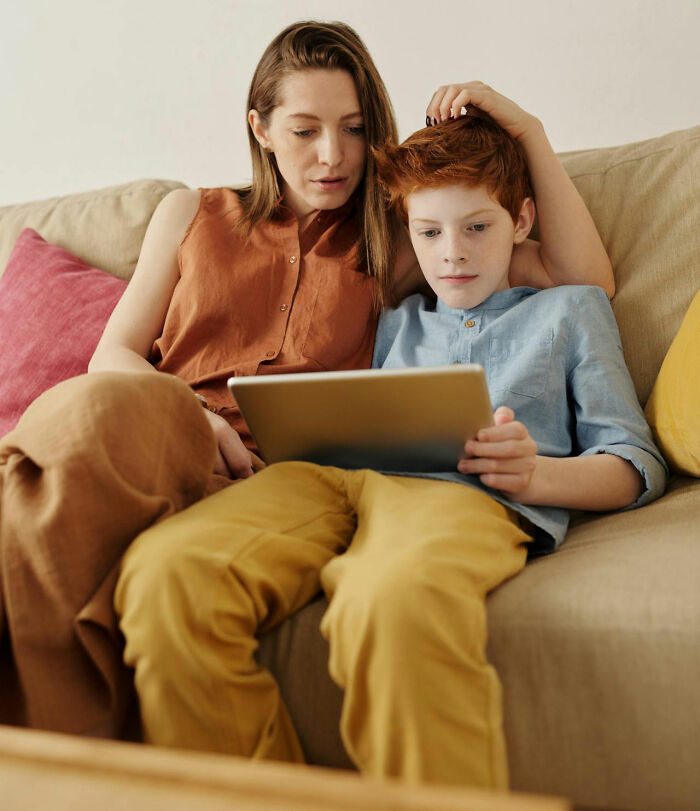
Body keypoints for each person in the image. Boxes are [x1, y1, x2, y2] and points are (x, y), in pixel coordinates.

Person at [0, 21, 613, 739]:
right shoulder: (190, 213)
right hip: (159, 427)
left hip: (271, 479)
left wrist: (529, 130)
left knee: (50, 513)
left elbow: (581, 279)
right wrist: (191, 416)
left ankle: (49, 760)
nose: (332, 156)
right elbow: (115, 356)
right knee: (87, 418)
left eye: (354, 130)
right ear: (259, 128)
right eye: (304, 130)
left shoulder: (400, 237)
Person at [114, 112, 667, 787]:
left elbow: (634, 463)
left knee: (389, 597)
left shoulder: (569, 309)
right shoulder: (397, 313)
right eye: (429, 233)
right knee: (163, 571)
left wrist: (537, 475)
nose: (452, 254)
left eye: (477, 228)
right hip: (329, 476)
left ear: (521, 221)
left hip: (463, 492)